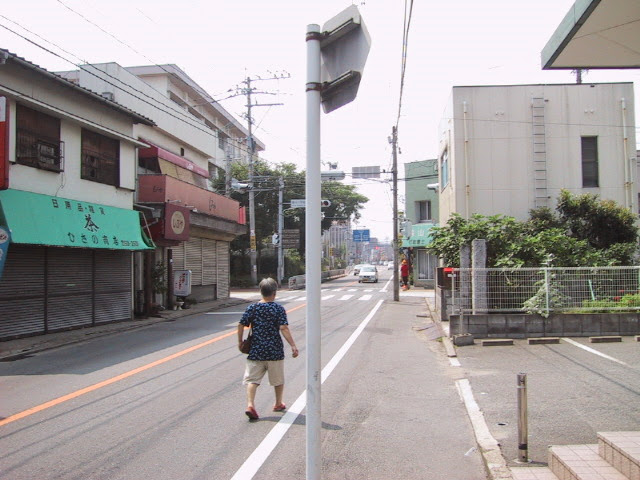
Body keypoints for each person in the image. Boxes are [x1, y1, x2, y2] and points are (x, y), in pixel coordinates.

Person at [237, 277, 299, 420]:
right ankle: (278, 403)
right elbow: (283, 327)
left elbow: (241, 325)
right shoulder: (278, 308)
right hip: (274, 350)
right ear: (274, 293)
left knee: (252, 380)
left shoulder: (253, 307)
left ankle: (250, 405)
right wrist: (293, 346)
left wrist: (240, 342)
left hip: (256, 350)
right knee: (278, 380)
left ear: (261, 292)